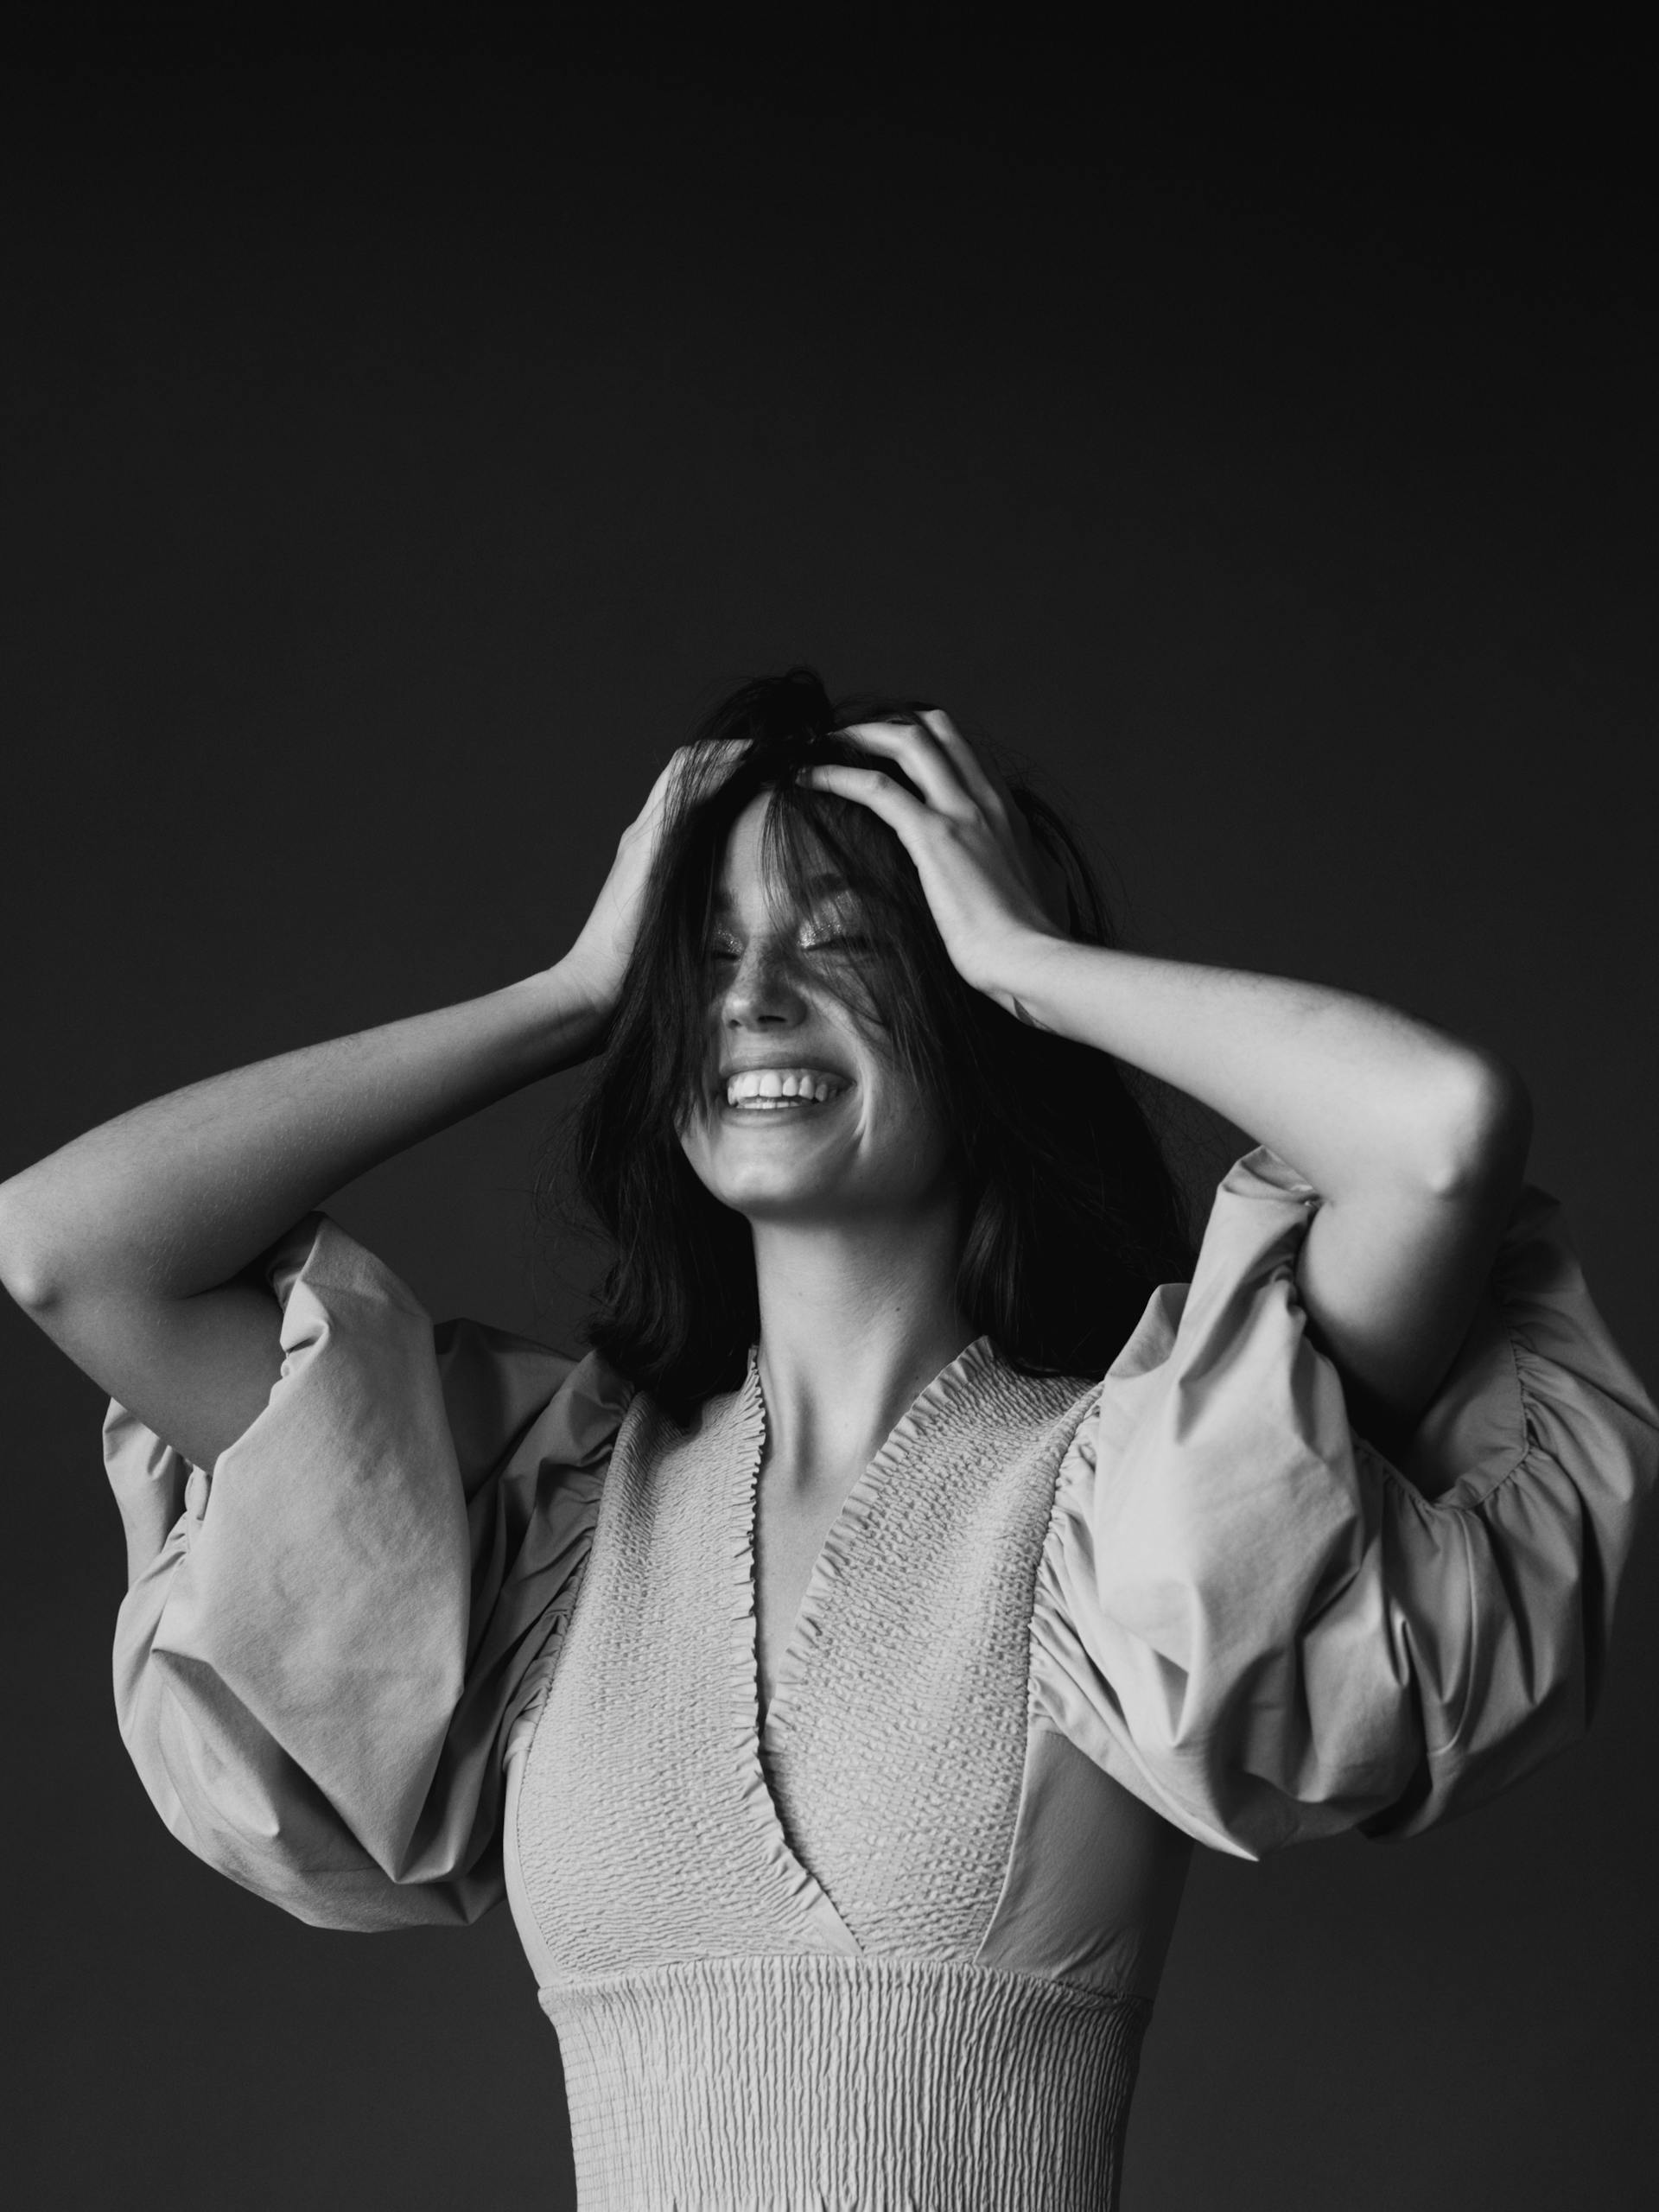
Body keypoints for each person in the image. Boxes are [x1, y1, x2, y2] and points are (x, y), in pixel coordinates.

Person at [2, 666, 1653, 2211]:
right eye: (705, 956)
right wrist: (573, 993)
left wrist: (1032, 968)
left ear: (965, 1004)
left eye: (845, 942)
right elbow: (69, 1249)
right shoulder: (547, 1529)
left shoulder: (1157, 1484)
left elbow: (1440, 1140)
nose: (757, 1000)